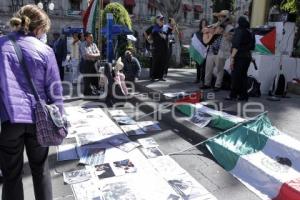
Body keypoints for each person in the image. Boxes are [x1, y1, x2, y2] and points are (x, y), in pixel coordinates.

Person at [0, 4, 63, 200]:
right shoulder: (45, 50)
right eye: (43, 30)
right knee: (41, 171)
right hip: (39, 120)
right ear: (38, 28)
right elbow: (55, 91)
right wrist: (59, 120)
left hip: (10, 119)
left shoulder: (1, 45)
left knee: (11, 176)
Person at [226, 16, 254, 101]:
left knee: (235, 77)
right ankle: (243, 96)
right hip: (247, 57)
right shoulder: (249, 32)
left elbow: (236, 46)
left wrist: (232, 58)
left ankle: (233, 95)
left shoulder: (238, 31)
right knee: (243, 77)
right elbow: (252, 46)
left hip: (239, 57)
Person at [150, 15, 172, 81]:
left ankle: (161, 76)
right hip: (157, 49)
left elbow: (170, 33)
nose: (162, 21)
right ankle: (153, 77)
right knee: (155, 62)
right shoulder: (154, 28)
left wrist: (165, 37)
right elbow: (154, 39)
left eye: (163, 20)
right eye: (161, 20)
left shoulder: (165, 28)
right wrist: (161, 36)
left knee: (163, 63)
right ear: (157, 21)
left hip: (164, 48)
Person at [193, 19, 208, 84]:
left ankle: (203, 79)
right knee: (198, 66)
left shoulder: (208, 32)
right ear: (201, 24)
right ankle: (198, 78)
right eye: (202, 23)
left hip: (205, 51)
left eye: (205, 23)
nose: (203, 25)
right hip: (198, 51)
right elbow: (194, 41)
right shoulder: (197, 32)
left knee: (204, 66)